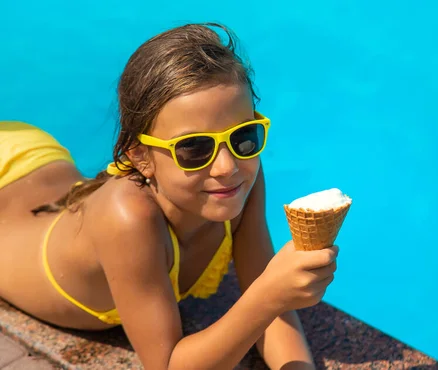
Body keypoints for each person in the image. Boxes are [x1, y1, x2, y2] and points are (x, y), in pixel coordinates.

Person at [0, 23, 338, 370]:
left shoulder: (241, 173)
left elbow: (277, 317)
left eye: (243, 136)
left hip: (39, 159)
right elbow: (167, 364)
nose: (226, 165)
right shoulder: (127, 216)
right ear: (140, 158)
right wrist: (269, 296)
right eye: (193, 147)